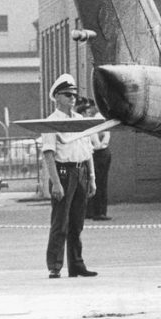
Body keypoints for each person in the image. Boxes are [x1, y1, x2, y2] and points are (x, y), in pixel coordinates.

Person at [41, 74, 98, 278]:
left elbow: (87, 149)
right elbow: (48, 153)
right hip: (63, 172)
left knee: (77, 222)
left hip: (80, 169)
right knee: (60, 222)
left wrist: (91, 177)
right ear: (57, 97)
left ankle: (76, 264)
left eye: (74, 94)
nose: (72, 98)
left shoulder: (81, 120)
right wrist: (56, 183)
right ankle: (55, 265)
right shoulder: (51, 122)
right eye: (67, 94)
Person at [77, 97, 112, 221]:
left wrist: (101, 144)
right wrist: (100, 145)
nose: (89, 112)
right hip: (93, 154)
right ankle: (95, 211)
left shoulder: (97, 121)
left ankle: (98, 211)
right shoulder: (89, 123)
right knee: (94, 183)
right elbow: (97, 142)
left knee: (99, 183)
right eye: (87, 111)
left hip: (99, 153)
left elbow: (104, 138)